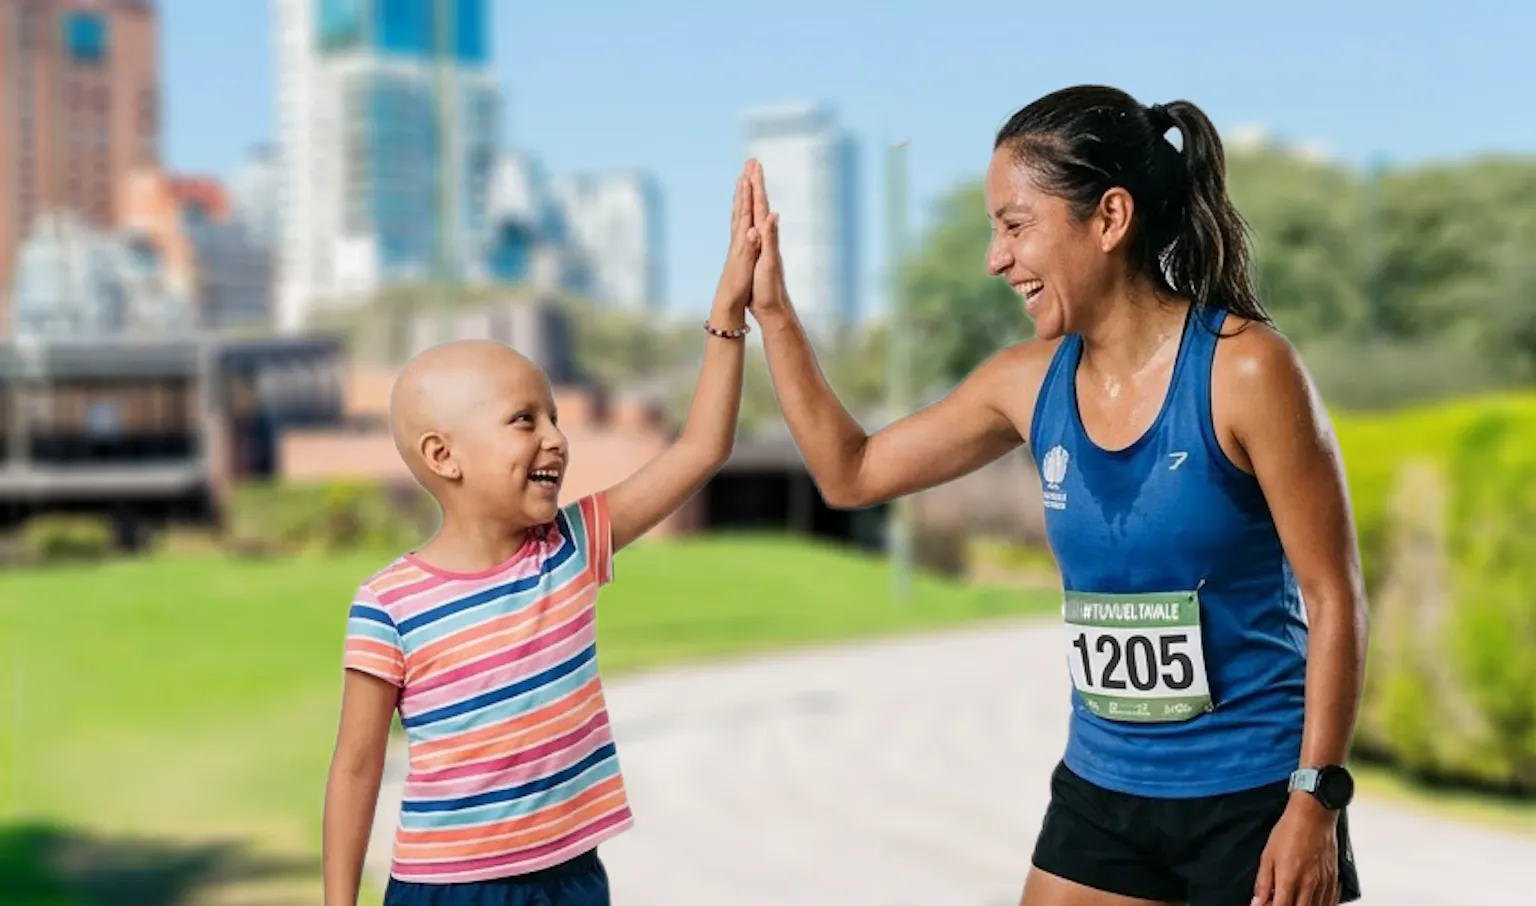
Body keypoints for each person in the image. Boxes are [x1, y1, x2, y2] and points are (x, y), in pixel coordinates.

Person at [745, 85, 1367, 906]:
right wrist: (775, 313)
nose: (996, 259)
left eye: (1014, 224)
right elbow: (849, 472)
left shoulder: (1245, 371)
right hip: (1102, 794)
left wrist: (1314, 800)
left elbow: (1334, 596)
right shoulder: (1025, 384)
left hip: (1251, 799)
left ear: (1109, 219)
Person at [321, 162, 764, 906]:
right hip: (446, 892)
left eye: (555, 416)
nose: (557, 439)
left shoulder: (574, 544)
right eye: (525, 420)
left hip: (570, 880)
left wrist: (727, 314)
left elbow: (700, 449)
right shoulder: (388, 605)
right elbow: (357, 766)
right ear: (443, 456)